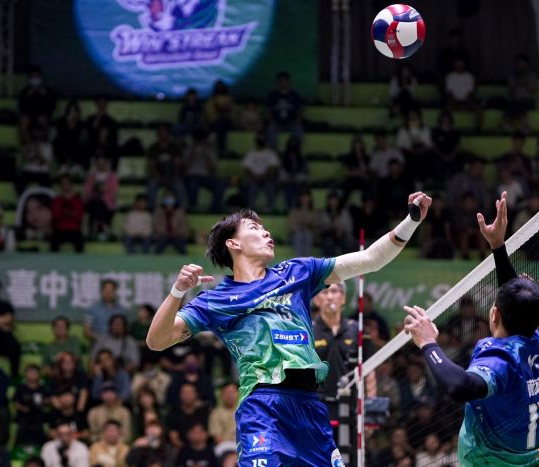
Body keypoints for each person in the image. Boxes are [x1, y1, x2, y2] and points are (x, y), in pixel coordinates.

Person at [146, 191, 432, 466]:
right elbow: (156, 341)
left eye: (265, 228)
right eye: (254, 228)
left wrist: (412, 221)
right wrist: (177, 291)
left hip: (309, 406)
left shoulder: (298, 272)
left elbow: (371, 259)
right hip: (263, 406)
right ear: (233, 244)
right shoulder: (216, 300)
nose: (266, 233)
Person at [403, 192, 539, 465]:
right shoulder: (537, 344)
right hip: (537, 459)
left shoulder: (502, 361)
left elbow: (459, 387)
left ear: (493, 314)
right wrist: (498, 246)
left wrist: (428, 343)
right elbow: (516, 304)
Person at [312, 282, 375, 420]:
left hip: (351, 407)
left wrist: (370, 409)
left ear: (343, 298)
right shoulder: (307, 331)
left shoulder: (357, 330)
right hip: (315, 408)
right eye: (324, 292)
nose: (329, 297)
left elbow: (369, 370)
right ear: (316, 299)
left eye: (334, 291)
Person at [183, 128, 224, 212]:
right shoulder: (188, 150)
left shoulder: (210, 151)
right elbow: (184, 168)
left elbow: (212, 170)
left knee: (220, 185)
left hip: (206, 177)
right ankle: (192, 208)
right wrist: (192, 154)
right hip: (191, 176)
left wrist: (205, 155)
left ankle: (214, 209)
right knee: (193, 186)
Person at [146, 124, 186, 210]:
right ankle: (150, 208)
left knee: (179, 185)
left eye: (165, 133)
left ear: (168, 134)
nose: (163, 135)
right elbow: (152, 166)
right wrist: (159, 177)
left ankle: (181, 209)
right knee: (152, 185)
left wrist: (172, 177)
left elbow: (178, 165)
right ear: (158, 134)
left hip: (173, 176)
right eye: (161, 133)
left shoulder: (175, 147)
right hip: (158, 176)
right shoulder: (153, 148)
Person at [241, 131, 280, 213]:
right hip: (253, 178)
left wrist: (264, 176)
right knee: (250, 186)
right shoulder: (251, 153)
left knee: (270, 186)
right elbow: (246, 168)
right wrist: (254, 176)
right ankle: (251, 210)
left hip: (267, 178)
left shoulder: (270, 153)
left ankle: (270, 208)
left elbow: (273, 168)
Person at [83, 152, 118, 238]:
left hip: (107, 204)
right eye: (99, 162)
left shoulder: (112, 176)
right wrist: (96, 190)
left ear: (106, 162)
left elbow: (113, 192)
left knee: (98, 203)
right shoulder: (91, 176)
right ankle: (104, 225)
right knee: (95, 202)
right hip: (92, 202)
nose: (101, 164)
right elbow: (87, 191)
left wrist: (102, 191)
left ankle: (97, 226)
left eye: (103, 162)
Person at [14, 364, 50, 448]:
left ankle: (43, 447)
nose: (32, 374)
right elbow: (16, 403)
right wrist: (23, 408)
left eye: (34, 372)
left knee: (39, 428)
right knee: (22, 427)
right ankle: (17, 448)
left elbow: (48, 400)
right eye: (30, 372)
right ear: (25, 374)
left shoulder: (42, 388)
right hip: (24, 416)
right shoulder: (21, 388)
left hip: (38, 415)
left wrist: (42, 403)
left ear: (39, 374)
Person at [267, 71, 304, 150]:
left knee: (299, 128)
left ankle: (294, 151)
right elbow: (269, 111)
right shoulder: (272, 95)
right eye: (281, 81)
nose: (283, 83)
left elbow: (299, 111)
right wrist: (272, 121)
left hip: (291, 123)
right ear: (278, 82)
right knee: (271, 129)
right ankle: (274, 152)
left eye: (285, 81)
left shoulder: (295, 95)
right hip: (277, 123)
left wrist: (297, 121)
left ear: (288, 82)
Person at [53, 99, 88, 176]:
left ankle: (78, 167)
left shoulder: (82, 125)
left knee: (83, 144)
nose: (73, 114)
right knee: (57, 142)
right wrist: (69, 124)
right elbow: (59, 141)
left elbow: (83, 142)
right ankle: (63, 165)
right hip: (64, 155)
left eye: (75, 112)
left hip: (77, 158)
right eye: (71, 112)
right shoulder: (60, 123)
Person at [50, 175, 84, 253]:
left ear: (71, 185)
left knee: (80, 243)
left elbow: (79, 217)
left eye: (67, 184)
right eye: (63, 184)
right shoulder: (57, 200)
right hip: (60, 230)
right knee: (53, 242)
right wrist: (70, 214)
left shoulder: (78, 200)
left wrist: (65, 213)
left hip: (74, 230)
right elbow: (55, 216)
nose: (65, 186)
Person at [205, 80, 235, 153]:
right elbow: (210, 114)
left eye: (221, 86)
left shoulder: (229, 99)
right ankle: (222, 149)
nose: (220, 88)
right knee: (220, 126)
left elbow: (233, 112)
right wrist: (217, 117)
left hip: (227, 122)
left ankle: (221, 149)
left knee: (222, 125)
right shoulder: (212, 100)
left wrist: (227, 116)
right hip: (216, 122)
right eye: (218, 86)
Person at [208, 382, 238, 447]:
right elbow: (217, 437)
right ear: (221, 395)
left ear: (237, 394)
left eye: (232, 392)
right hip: (224, 445)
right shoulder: (215, 413)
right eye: (226, 393)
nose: (229, 396)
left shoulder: (245, 411)